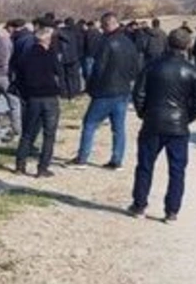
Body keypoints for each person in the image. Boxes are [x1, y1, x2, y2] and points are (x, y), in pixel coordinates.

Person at [129, 28, 196, 221]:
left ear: (167, 43)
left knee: (145, 166)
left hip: (153, 122)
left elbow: (138, 94)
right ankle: (172, 211)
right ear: (188, 46)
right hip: (178, 126)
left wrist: (144, 114)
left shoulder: (151, 67)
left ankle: (139, 206)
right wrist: (186, 119)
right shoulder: (192, 71)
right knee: (177, 170)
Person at [72, 12, 140, 170]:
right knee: (118, 128)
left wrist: (91, 88)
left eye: (103, 26)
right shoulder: (129, 42)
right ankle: (117, 160)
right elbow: (135, 67)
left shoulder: (106, 43)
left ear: (108, 24)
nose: (101, 29)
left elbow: (99, 68)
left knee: (89, 123)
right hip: (123, 90)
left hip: (105, 90)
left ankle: (82, 158)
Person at [13, 26, 62, 177]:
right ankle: (42, 168)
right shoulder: (50, 55)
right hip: (49, 97)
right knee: (49, 134)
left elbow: (18, 76)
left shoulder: (25, 56)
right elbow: (59, 72)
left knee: (28, 133)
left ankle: (20, 165)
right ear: (47, 40)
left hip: (32, 97)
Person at [56, 17, 84, 99]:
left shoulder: (59, 32)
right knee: (75, 76)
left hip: (63, 58)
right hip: (75, 57)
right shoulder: (77, 32)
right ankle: (75, 92)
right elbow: (80, 45)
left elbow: (57, 46)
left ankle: (64, 93)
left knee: (63, 77)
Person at [82, 19, 102, 83]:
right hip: (97, 53)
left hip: (89, 53)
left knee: (89, 70)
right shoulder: (99, 33)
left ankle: (89, 83)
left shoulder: (87, 33)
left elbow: (86, 44)